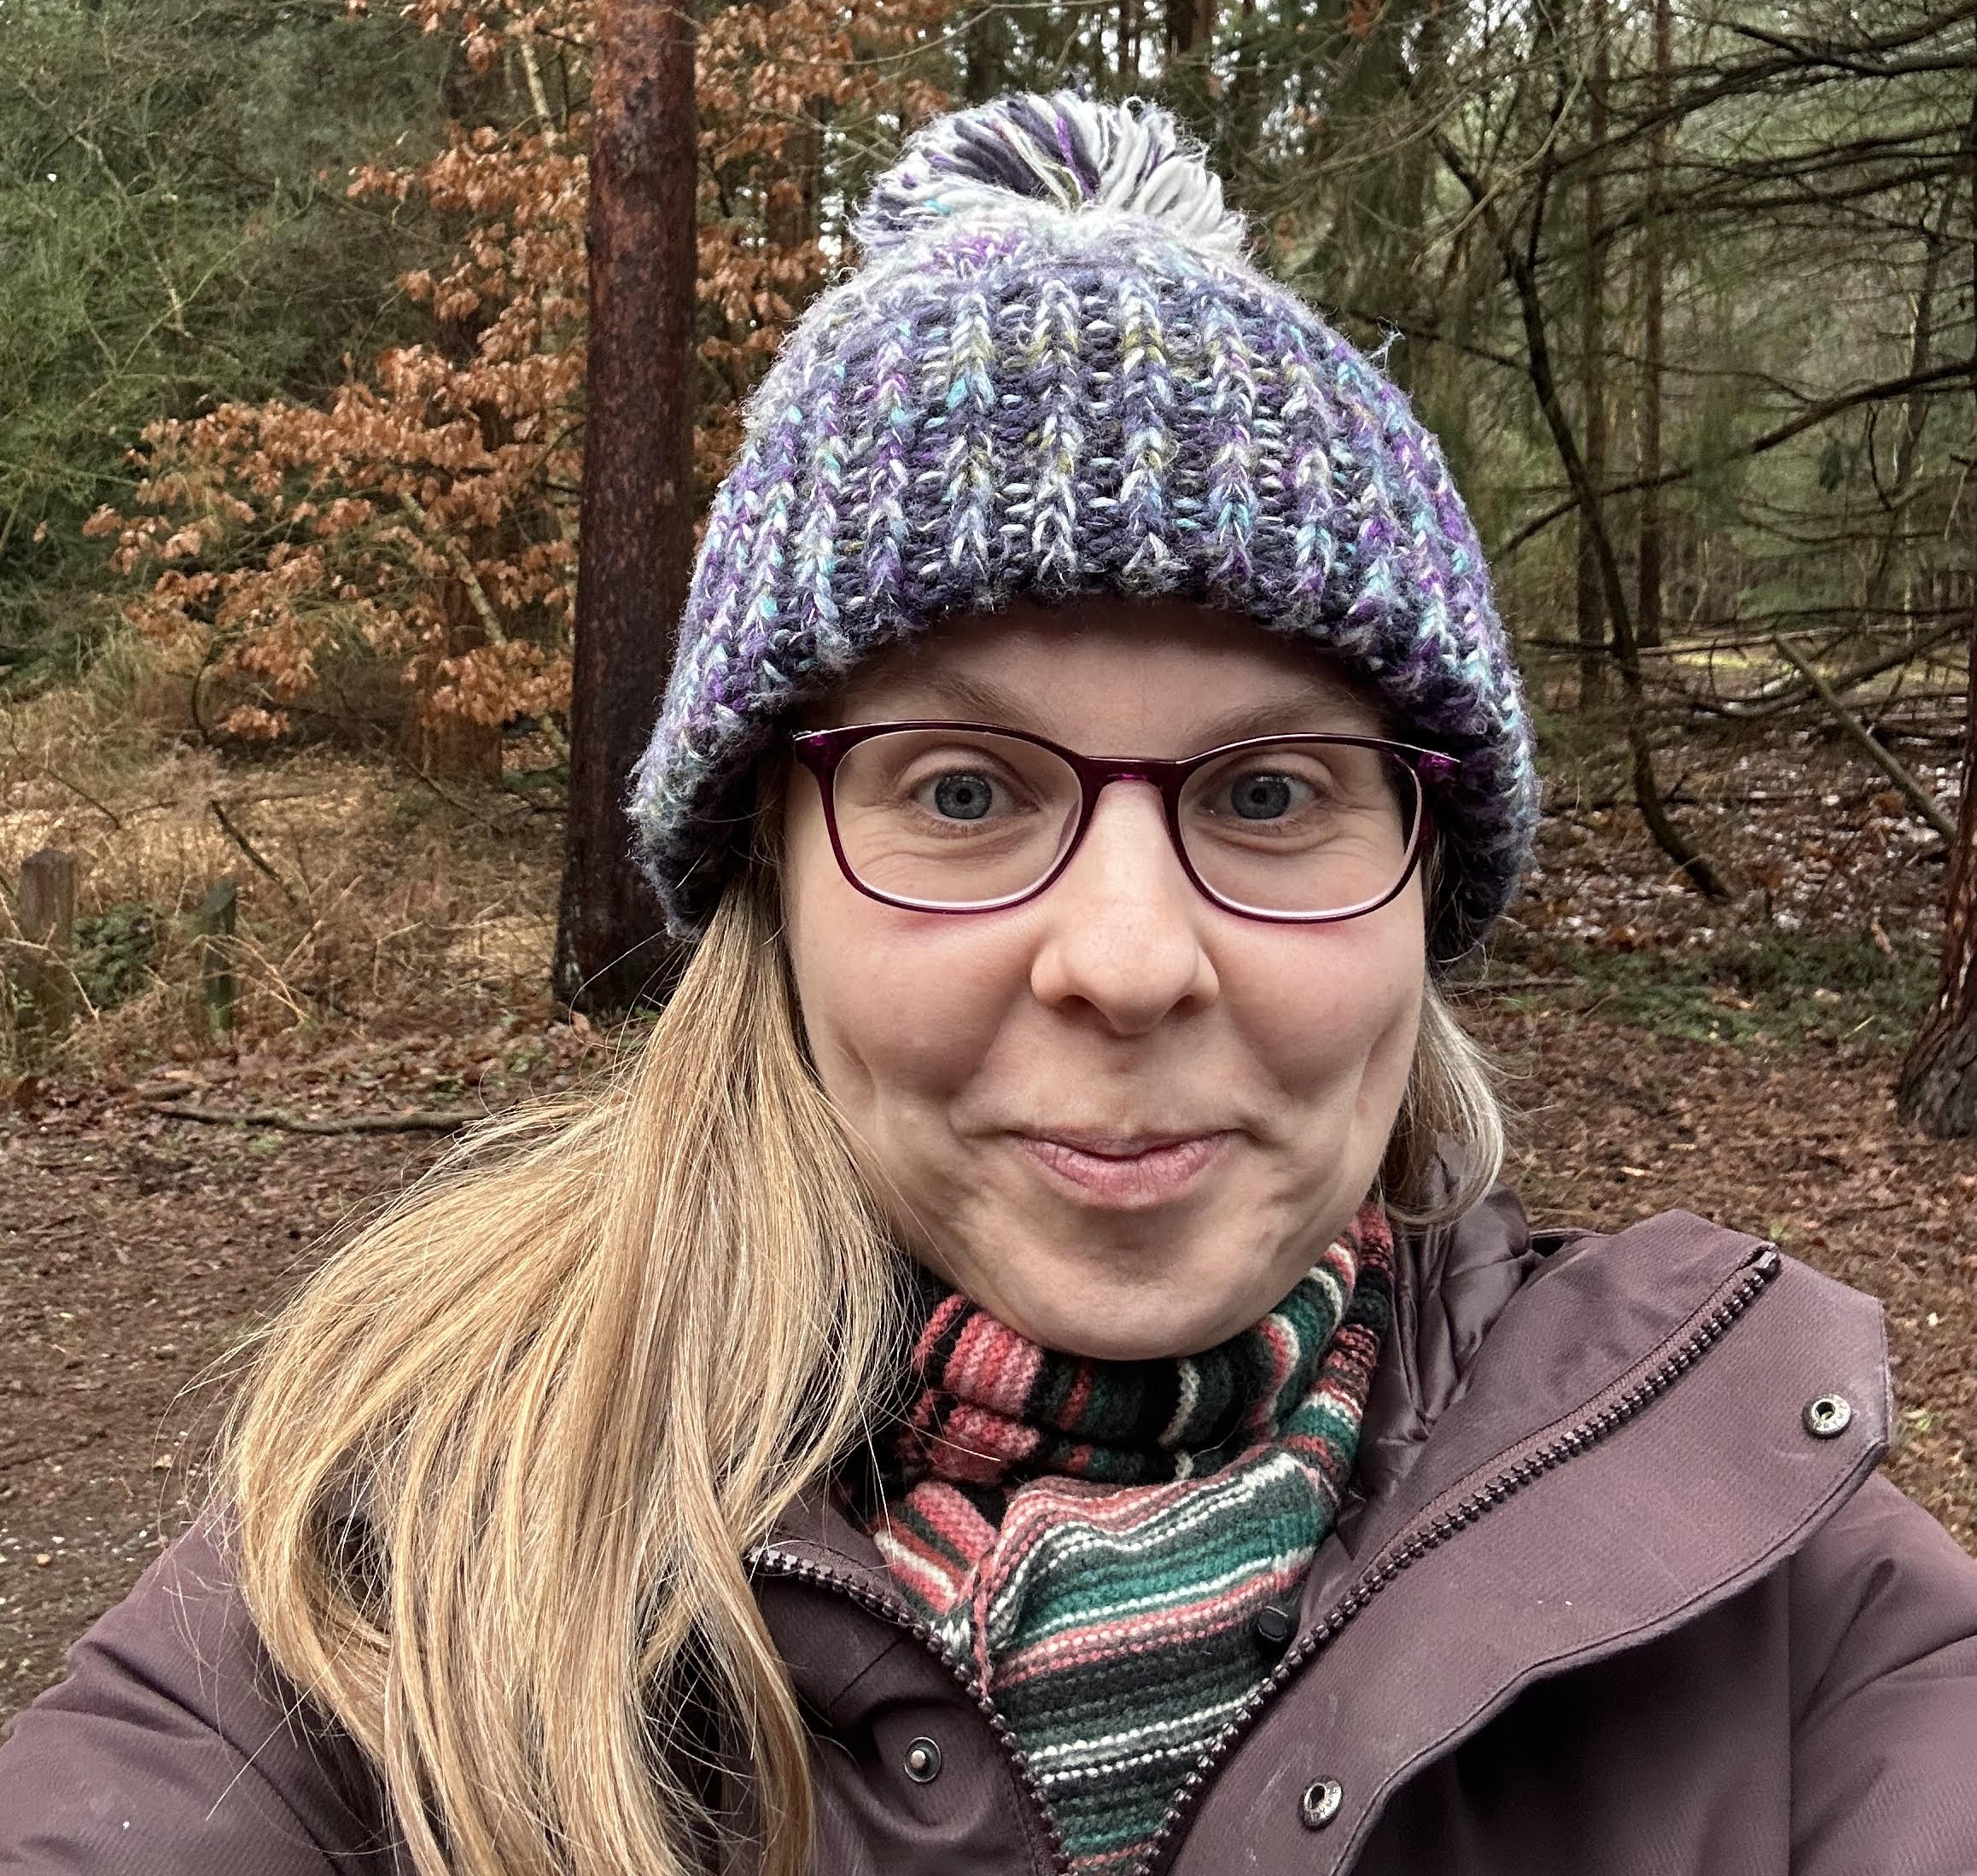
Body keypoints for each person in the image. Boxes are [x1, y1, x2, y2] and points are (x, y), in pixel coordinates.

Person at [2, 92, 1974, 1876]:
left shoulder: (1785, 1603)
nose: (1125, 958)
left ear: (1422, 880)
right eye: (960, 787)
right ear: (766, 879)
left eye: (1273, 790)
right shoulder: (381, 1594)